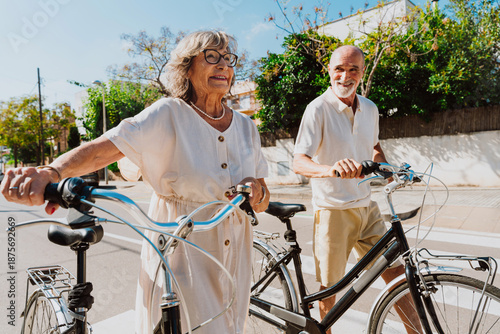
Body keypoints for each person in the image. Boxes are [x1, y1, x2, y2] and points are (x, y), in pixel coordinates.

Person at [1, 30, 269, 334]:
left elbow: (263, 198)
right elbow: (106, 147)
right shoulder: (169, 114)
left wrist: (258, 191)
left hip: (236, 250)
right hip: (182, 247)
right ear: (187, 67)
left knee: (233, 324)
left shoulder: (247, 126)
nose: (223, 65)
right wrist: (51, 172)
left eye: (228, 59)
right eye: (211, 56)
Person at [293, 45, 417, 334]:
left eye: (352, 69)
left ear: (362, 72)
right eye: (339, 68)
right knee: (330, 288)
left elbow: (373, 146)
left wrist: (387, 170)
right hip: (333, 209)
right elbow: (299, 161)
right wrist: (329, 169)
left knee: (397, 273)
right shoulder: (318, 109)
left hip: (367, 206)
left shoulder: (370, 108)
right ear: (329, 71)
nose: (345, 75)